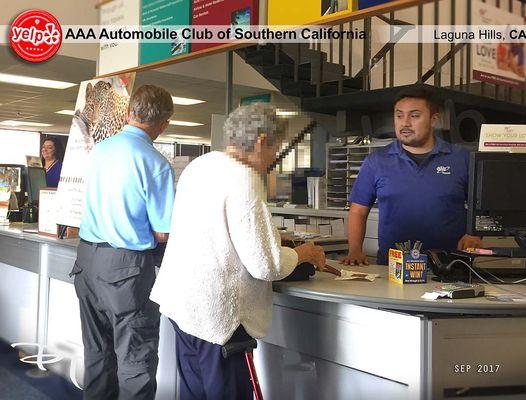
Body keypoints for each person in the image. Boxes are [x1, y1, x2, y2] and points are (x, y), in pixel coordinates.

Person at [150, 103, 326, 400]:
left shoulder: (200, 166)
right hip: (221, 320)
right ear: (260, 141)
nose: (274, 158)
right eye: (276, 149)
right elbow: (265, 265)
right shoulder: (244, 179)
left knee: (195, 394)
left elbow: (212, 227)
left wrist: (270, 234)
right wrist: (303, 253)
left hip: (184, 308)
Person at [70, 85, 176, 400]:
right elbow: (163, 232)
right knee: (136, 362)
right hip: (126, 270)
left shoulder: (99, 150)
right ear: (164, 124)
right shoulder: (155, 164)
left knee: (97, 354)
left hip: (87, 261)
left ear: (129, 112)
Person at [341, 87, 482, 266]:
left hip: (451, 266)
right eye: (399, 115)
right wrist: (355, 250)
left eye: (414, 116)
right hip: (394, 268)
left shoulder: (461, 158)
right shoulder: (376, 161)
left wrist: (474, 233)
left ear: (434, 119)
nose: (405, 123)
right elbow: (358, 211)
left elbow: (481, 207)